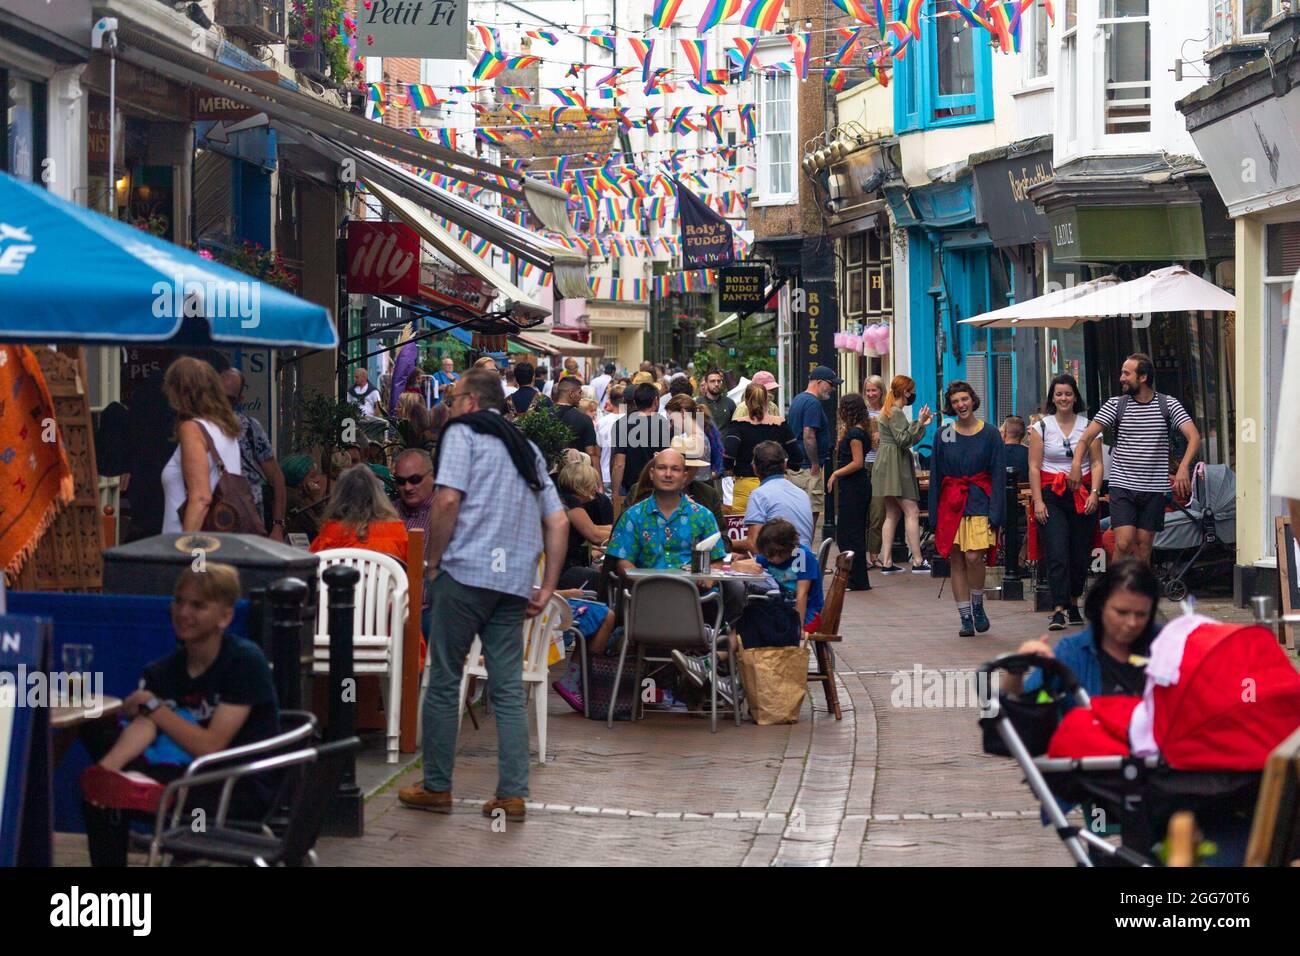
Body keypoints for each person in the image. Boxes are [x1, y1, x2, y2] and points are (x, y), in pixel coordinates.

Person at [398, 369, 568, 822]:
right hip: (512, 582)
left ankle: (437, 785)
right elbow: (558, 521)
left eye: (453, 399)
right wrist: (548, 584)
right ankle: (512, 793)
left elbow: (448, 500)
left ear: (471, 402)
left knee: (444, 678)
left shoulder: (462, 433)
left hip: (466, 573)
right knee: (509, 688)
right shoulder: (526, 449)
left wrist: (433, 562)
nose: (449, 407)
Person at [79, 564, 279, 867]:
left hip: (233, 783)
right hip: (178, 771)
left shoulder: (244, 662)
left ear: (225, 616)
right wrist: (132, 713)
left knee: (149, 726)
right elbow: (146, 726)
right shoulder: (164, 671)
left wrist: (155, 709)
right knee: (100, 775)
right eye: (179, 601)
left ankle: (139, 789)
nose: (183, 612)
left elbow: (210, 747)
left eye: (197, 605)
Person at [1069, 353, 1201, 563]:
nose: (1121, 378)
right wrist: (1076, 464)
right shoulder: (1115, 405)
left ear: (1143, 377)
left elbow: (1193, 437)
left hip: (1154, 487)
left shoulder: (1168, 405)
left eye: (1126, 373)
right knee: (1123, 542)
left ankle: (1140, 593)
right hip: (1123, 484)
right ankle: (1113, 590)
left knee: (1144, 545)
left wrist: (1184, 467)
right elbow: (1085, 438)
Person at [1002, 558, 1162, 712]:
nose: (1132, 623)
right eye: (1121, 612)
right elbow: (1019, 707)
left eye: (1141, 614)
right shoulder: (1072, 653)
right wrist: (1016, 670)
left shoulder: (1167, 646)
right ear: (1100, 606)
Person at [929, 381, 1005, 637]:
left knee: (974, 557)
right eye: (955, 402)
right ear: (950, 406)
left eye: (964, 399)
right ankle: (964, 617)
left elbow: (998, 476)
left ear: (973, 400)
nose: (961, 405)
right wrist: (933, 514)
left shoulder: (991, 433)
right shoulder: (944, 434)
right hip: (951, 504)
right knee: (957, 560)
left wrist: (997, 512)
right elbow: (936, 474)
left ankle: (977, 604)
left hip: (980, 501)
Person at [1030, 374, 1104, 631]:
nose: (1063, 398)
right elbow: (1034, 466)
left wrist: (1095, 492)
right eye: (1059, 394)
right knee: (1057, 550)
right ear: (1052, 397)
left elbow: (1096, 463)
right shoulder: (1040, 427)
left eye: (1068, 394)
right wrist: (1037, 501)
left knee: (1079, 554)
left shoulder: (1090, 426)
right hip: (1051, 494)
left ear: (1076, 397)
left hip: (1081, 493)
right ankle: (1058, 608)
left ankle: (1074, 603)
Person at [160, 356, 245, 534]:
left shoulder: (192, 429)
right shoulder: (225, 428)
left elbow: (201, 498)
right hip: (222, 542)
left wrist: (186, 549)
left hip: (194, 547)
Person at [874, 375, 934, 575]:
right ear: (906, 392)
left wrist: (919, 423)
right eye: (912, 390)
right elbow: (904, 439)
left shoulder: (887, 410)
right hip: (896, 464)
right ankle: (917, 560)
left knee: (892, 513)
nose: (913, 394)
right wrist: (922, 423)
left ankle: (887, 560)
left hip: (886, 462)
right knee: (912, 511)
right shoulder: (896, 412)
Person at [220, 368, 287, 541]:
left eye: (230, 399)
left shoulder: (249, 427)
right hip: (214, 524)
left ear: (239, 400)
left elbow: (276, 477)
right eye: (220, 396)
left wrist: (278, 525)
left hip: (247, 523)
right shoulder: (197, 428)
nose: (223, 404)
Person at [722, 382, 800, 514]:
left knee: (745, 532)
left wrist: (730, 470)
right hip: (777, 486)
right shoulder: (780, 424)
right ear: (766, 401)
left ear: (745, 401)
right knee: (775, 529)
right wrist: (784, 465)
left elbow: (727, 456)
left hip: (745, 487)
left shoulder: (737, 426)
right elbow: (797, 458)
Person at [310, 464, 409, 564]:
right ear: (378, 496)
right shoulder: (396, 530)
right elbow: (413, 570)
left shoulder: (330, 532)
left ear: (339, 498)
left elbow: (312, 566)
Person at [786, 366, 840, 543]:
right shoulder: (812, 403)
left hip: (798, 466)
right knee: (811, 512)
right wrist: (815, 463)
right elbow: (809, 435)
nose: (832, 389)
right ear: (819, 382)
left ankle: (797, 552)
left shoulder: (798, 399)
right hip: (808, 468)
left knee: (798, 513)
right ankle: (804, 550)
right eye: (831, 384)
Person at [733, 440, 815, 555]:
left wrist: (725, 543)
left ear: (754, 468)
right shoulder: (802, 494)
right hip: (804, 564)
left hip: (783, 567)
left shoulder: (759, 495)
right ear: (785, 464)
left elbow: (754, 545)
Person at [827, 393, 872, 591]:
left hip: (854, 487)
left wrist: (835, 473)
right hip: (856, 486)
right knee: (853, 533)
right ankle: (856, 577)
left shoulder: (855, 434)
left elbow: (857, 462)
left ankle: (856, 578)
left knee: (848, 533)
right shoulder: (860, 430)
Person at [610, 381, 672, 511]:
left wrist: (615, 494)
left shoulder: (622, 424)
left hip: (630, 490)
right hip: (657, 489)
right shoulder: (664, 425)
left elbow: (619, 464)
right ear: (656, 400)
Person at [556, 456, 613, 588]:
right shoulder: (571, 502)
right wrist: (627, 533)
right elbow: (594, 535)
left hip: (564, 567)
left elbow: (594, 528)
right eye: (593, 483)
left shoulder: (564, 499)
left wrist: (618, 529)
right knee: (608, 580)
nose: (595, 488)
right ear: (582, 484)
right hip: (565, 569)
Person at [863, 375, 887, 568]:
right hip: (863, 466)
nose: (871, 394)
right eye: (868, 390)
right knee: (862, 512)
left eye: (874, 390)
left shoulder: (887, 412)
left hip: (881, 466)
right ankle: (863, 555)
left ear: (881, 391)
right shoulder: (861, 413)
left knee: (878, 512)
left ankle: (874, 554)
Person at [552, 376, 600, 462]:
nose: (581, 397)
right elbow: (591, 454)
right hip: (576, 472)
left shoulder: (543, 416)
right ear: (571, 393)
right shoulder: (584, 419)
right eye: (580, 392)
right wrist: (597, 475)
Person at [281, 454, 328, 540]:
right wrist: (317, 499)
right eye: (312, 477)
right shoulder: (295, 500)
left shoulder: (297, 496)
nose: (317, 480)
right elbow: (320, 529)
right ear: (299, 481)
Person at [596, 383, 626, 494]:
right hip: (624, 475)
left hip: (605, 475)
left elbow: (597, 452)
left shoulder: (601, 422)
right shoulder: (632, 422)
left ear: (610, 401)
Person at [1000, 415, 1030, 485]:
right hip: (1026, 494)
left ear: (1004, 433)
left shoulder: (996, 453)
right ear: (1023, 434)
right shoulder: (1031, 453)